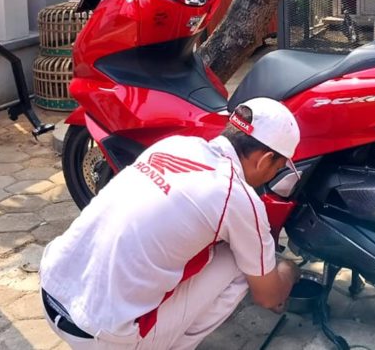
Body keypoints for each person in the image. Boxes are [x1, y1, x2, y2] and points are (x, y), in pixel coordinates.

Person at [39, 97, 302, 349]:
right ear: (265, 159)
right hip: (99, 336)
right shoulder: (236, 196)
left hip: (51, 292)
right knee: (242, 264)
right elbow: (268, 296)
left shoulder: (176, 145)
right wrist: (288, 271)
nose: (273, 174)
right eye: (278, 167)